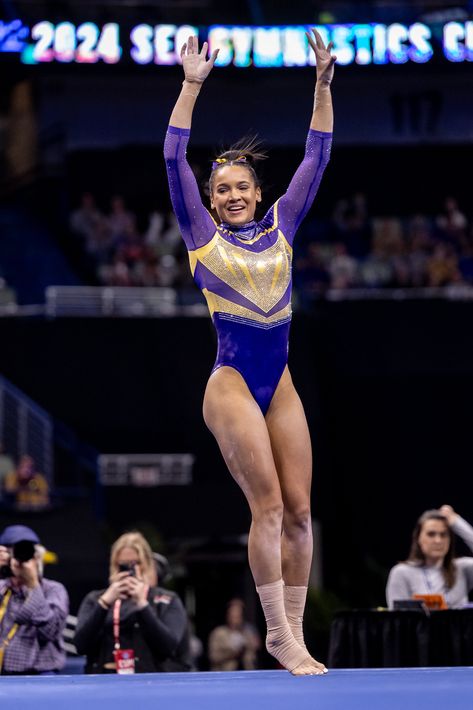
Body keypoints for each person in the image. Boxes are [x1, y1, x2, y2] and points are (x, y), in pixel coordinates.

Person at [164, 30, 335, 675]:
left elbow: (317, 157)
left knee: (300, 509)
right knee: (265, 505)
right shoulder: (201, 235)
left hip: (280, 381)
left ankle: (291, 631)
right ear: (210, 201)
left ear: (259, 192)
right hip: (232, 381)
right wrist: (190, 87)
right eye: (223, 189)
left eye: (243, 187)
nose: (233, 195)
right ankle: (276, 631)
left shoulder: (284, 226)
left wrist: (320, 85)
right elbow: (173, 159)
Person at [74, 531, 193, 673]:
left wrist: (143, 605)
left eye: (135, 564)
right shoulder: (95, 599)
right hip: (104, 679)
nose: (129, 571)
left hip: (152, 680)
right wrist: (104, 604)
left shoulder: (166, 600)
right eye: (122, 565)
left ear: (147, 564)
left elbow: (168, 647)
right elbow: (80, 646)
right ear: (114, 565)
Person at [0, 525, 68, 675]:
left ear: (38, 558)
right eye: (13, 553)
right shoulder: (2, 588)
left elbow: (50, 631)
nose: (20, 559)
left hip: (41, 674)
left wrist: (33, 585)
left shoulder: (53, 589)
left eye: (27, 554)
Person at [386, 505, 473, 609]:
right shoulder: (402, 573)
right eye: (431, 534)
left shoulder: (462, 568)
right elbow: (398, 620)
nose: (438, 540)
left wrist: (457, 523)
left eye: (443, 534)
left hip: (459, 625)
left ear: (450, 539)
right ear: (418, 538)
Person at [208, 598, 261, 671]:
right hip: (225, 672)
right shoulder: (218, 633)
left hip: (247, 672)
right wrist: (232, 653)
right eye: (233, 616)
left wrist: (248, 646)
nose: (236, 619)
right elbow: (213, 657)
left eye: (238, 616)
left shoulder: (248, 632)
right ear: (228, 615)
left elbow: (255, 651)